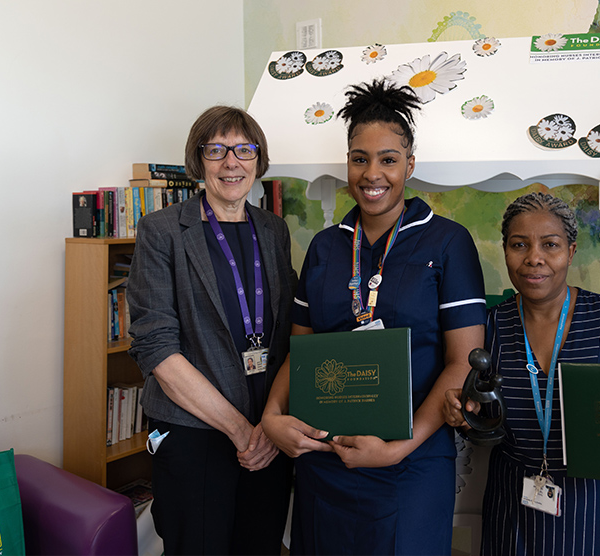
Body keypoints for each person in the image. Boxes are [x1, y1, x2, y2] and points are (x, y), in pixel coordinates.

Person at [261, 78, 486, 555]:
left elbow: (462, 359)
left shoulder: (446, 242)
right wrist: (272, 415)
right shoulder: (325, 247)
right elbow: (300, 351)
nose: (372, 173)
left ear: (409, 164)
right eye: (359, 159)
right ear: (347, 162)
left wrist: (397, 448)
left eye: (388, 159)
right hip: (326, 459)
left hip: (411, 462)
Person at [444, 192, 600, 556]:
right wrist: (461, 414)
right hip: (514, 513)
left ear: (571, 251)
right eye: (519, 245)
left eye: (550, 244)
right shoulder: (489, 326)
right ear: (505, 250)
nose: (534, 258)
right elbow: (482, 416)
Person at [127, 106, 296, 555]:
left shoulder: (274, 230)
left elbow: (285, 334)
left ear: (258, 160)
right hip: (196, 433)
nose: (231, 162)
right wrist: (242, 432)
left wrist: (269, 426)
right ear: (198, 161)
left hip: (269, 427)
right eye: (216, 150)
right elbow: (157, 347)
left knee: (259, 545)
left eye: (244, 149)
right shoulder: (162, 231)